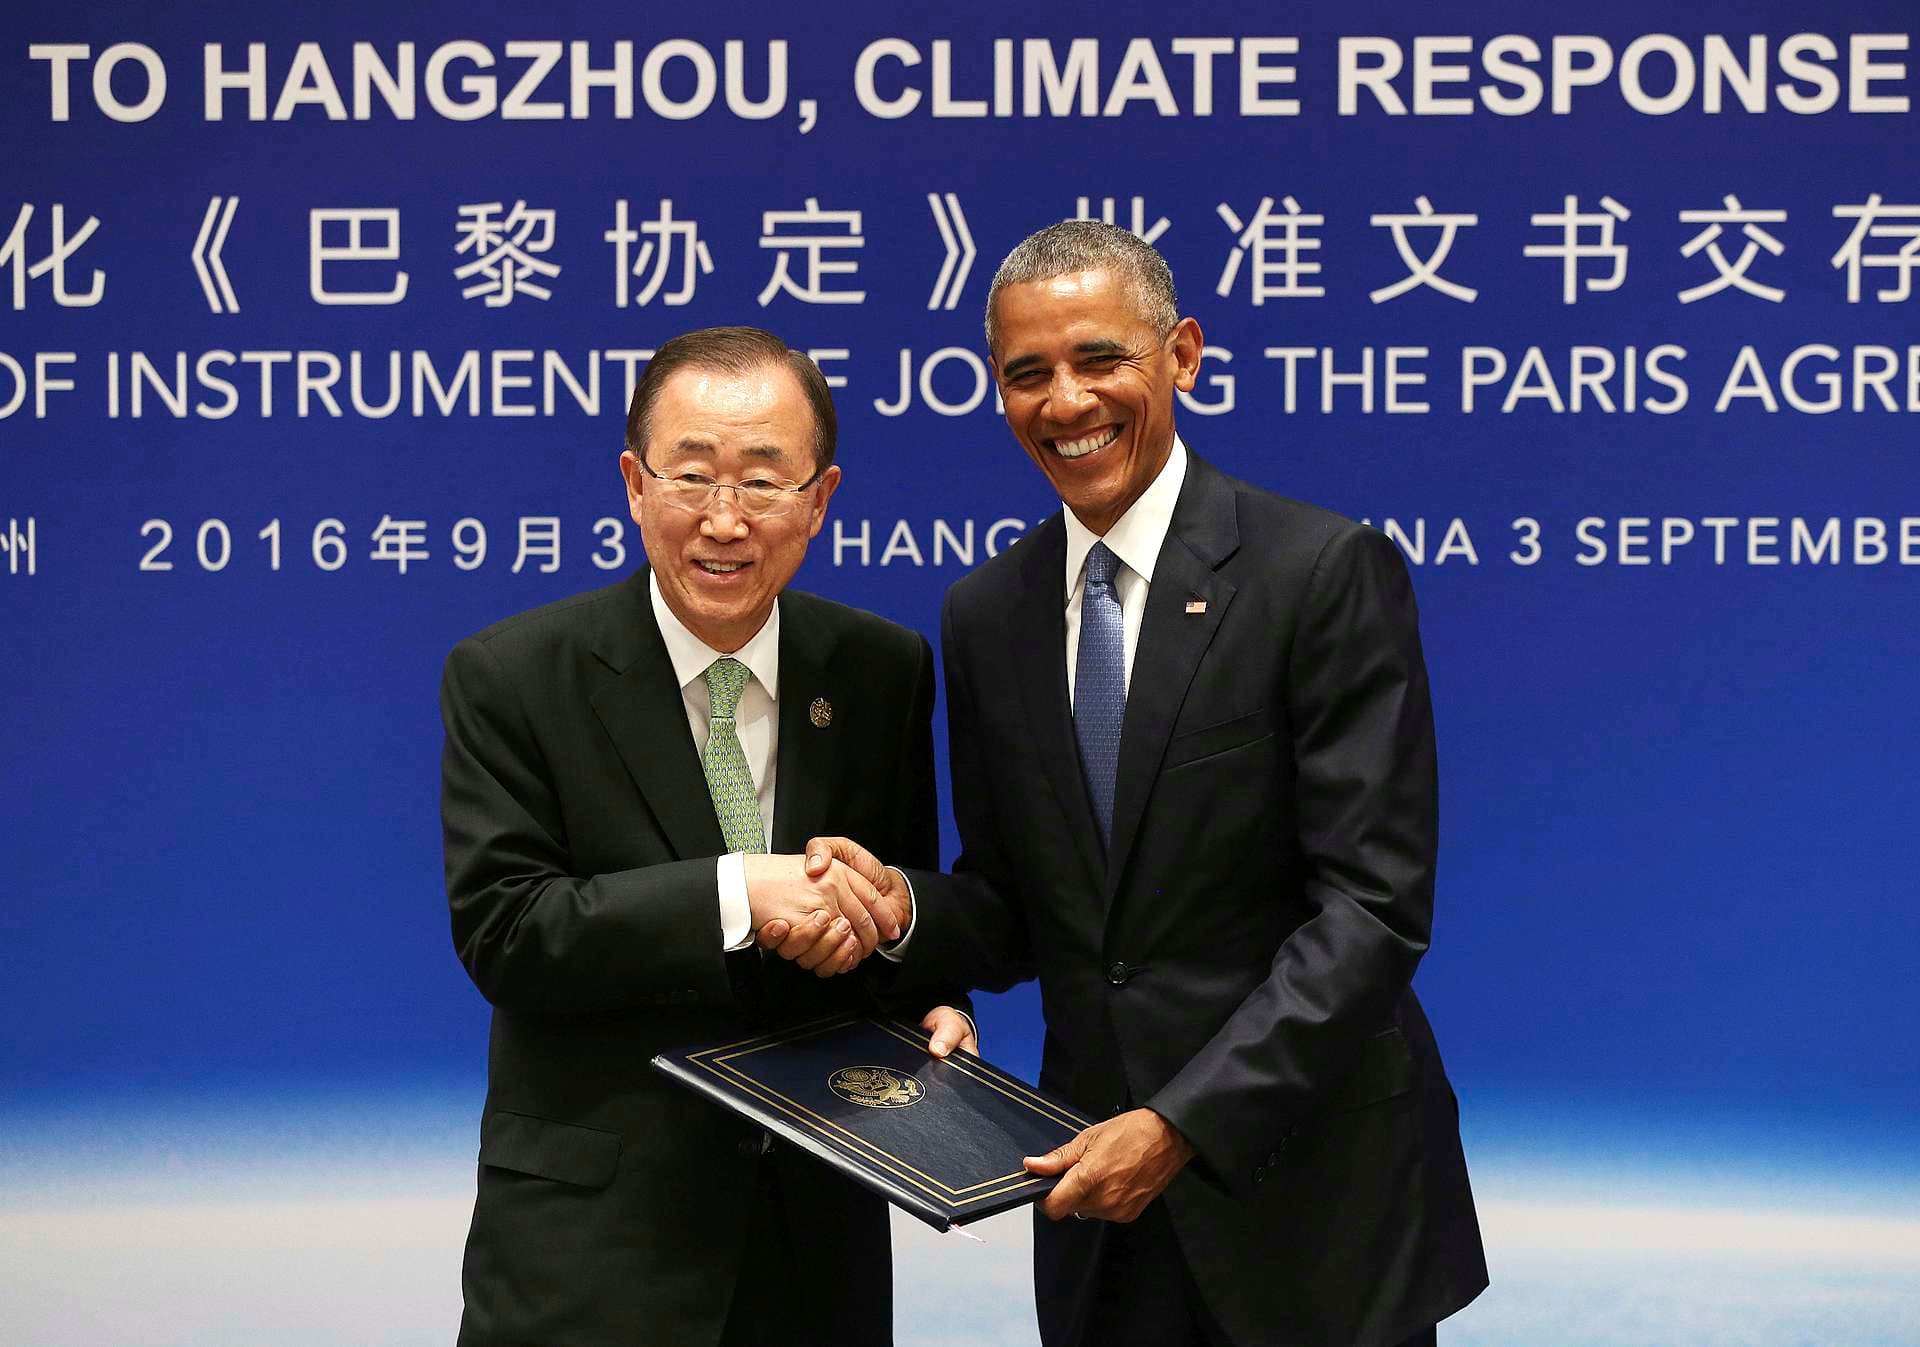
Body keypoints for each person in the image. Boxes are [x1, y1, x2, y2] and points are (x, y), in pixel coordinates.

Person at [803, 222, 1488, 1346]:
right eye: (1028, 374)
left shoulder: (1317, 572)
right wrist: (902, 908)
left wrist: (1179, 1124)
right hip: (1098, 1206)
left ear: (1182, 354)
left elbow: (1372, 911)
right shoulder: (988, 614)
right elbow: (1018, 903)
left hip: (1311, 1200)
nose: (1066, 402)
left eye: (1099, 359)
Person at [439, 325, 973, 1347]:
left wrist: (931, 1002)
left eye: (764, 482)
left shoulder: (880, 670)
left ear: (819, 500)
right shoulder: (513, 676)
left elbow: (899, 897)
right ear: (635, 485)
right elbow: (508, 932)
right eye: (691, 476)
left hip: (813, 1245)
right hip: (594, 1257)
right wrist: (740, 892)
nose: (724, 520)